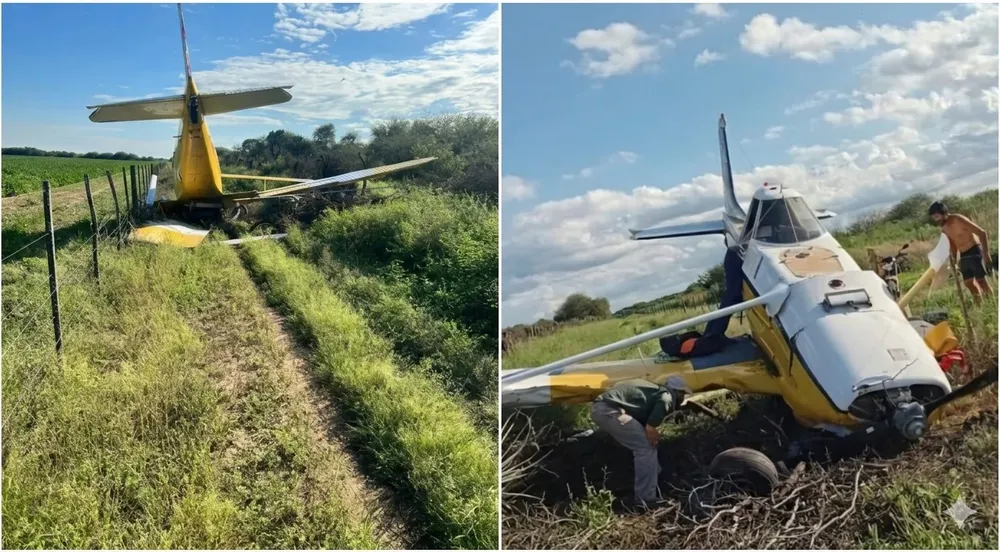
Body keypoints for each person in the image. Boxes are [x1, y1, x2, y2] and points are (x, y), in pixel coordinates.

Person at [589, 378, 684, 509]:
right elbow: (650, 427)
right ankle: (645, 499)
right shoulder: (667, 396)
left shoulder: (652, 391)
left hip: (602, 408)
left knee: (646, 444)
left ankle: (656, 478)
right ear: (679, 393)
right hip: (610, 410)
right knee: (646, 448)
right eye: (683, 394)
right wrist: (652, 432)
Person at [929, 201, 993, 304]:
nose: (937, 220)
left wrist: (986, 254)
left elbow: (982, 233)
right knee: (968, 283)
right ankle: (980, 306)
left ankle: (992, 303)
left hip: (975, 250)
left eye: (937, 216)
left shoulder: (958, 219)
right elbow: (953, 246)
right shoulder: (944, 228)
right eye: (934, 218)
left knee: (981, 280)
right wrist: (954, 262)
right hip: (964, 255)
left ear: (944, 213)